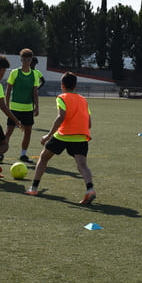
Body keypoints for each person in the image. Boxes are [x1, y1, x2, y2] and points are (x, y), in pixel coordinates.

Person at [25, 72, 96, 205]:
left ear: (62, 85)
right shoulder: (83, 100)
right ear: (75, 86)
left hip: (63, 135)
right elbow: (89, 123)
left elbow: (61, 116)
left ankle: (33, 188)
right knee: (82, 165)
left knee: (44, 157)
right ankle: (90, 189)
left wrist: (48, 135)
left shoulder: (62, 97)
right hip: (81, 136)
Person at [3, 48, 41, 162]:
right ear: (21, 60)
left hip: (28, 108)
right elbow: (8, 90)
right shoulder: (15, 72)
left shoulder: (34, 74)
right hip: (14, 108)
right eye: (24, 60)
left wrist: (37, 107)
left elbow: (35, 92)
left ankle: (23, 154)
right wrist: (6, 105)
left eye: (29, 60)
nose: (26, 62)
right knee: (9, 131)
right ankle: (1, 154)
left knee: (28, 132)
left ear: (31, 60)